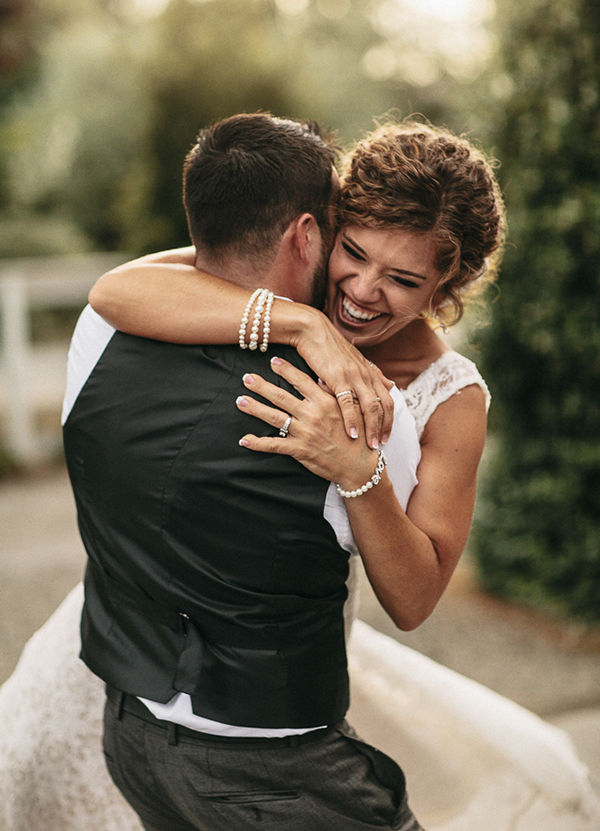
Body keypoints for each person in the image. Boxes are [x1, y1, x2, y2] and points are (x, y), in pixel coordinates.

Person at [62, 112, 425, 831]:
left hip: (129, 733)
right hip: (282, 779)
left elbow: (125, 283)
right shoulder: (359, 408)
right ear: (306, 234)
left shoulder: (98, 334)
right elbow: (412, 597)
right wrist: (304, 324)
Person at [90, 119, 506, 632]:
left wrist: (359, 474)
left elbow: (414, 601)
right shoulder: (296, 284)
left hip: (285, 645)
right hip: (137, 611)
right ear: (327, 229)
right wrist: (305, 324)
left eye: (402, 280)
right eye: (353, 252)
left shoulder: (450, 397)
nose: (362, 290)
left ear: (442, 294)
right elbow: (114, 292)